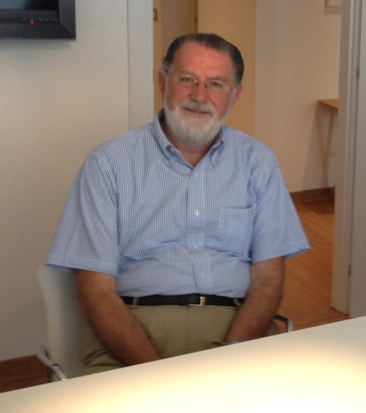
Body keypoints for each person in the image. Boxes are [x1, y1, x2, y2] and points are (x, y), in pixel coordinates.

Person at [46, 33, 309, 373]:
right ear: (163, 82)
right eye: (187, 80)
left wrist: (233, 354)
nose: (200, 96)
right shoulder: (108, 164)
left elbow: (269, 278)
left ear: (234, 95)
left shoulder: (258, 162)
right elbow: (95, 290)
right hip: (132, 332)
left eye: (216, 84)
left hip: (237, 330)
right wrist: (155, 373)